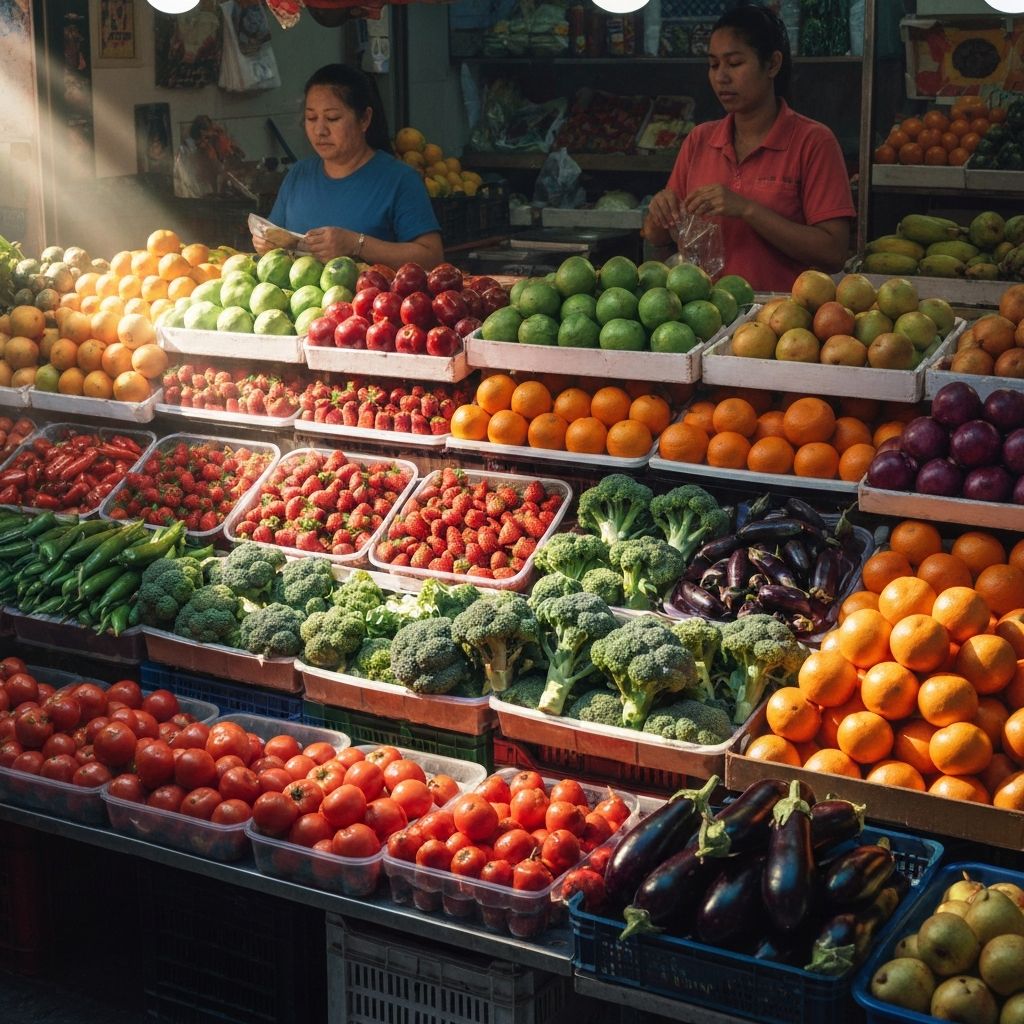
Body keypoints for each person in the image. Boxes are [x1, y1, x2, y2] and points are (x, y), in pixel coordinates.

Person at [643, 2, 855, 293]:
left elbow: (833, 252)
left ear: (772, 64)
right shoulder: (700, 140)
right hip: (703, 318)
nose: (721, 77)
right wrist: (659, 210)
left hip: (783, 326)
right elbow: (656, 236)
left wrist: (746, 209)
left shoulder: (813, 141)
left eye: (734, 63)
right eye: (713, 64)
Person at [255, 64, 443, 270]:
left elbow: (432, 257)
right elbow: (274, 238)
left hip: (371, 300)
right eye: (311, 118)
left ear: (364, 119)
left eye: (332, 118)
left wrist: (357, 244)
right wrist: (266, 243)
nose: (319, 130)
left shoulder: (399, 179)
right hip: (300, 300)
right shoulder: (299, 174)